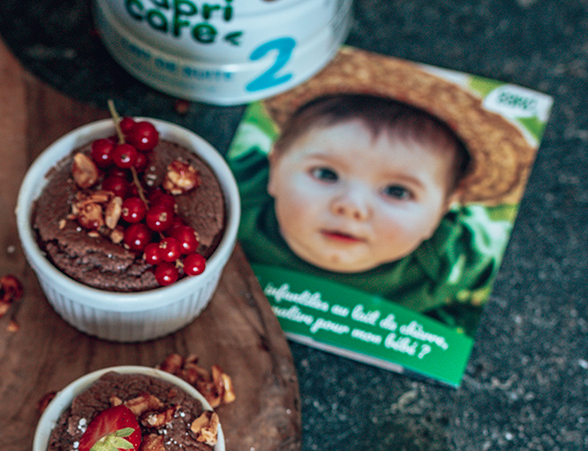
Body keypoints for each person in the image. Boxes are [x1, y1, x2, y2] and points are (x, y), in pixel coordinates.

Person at [230, 47, 540, 332]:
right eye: (326, 174)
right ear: (274, 170)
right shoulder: (240, 197)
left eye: (397, 192)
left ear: (443, 210)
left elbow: (508, 258)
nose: (351, 207)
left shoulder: (450, 257)